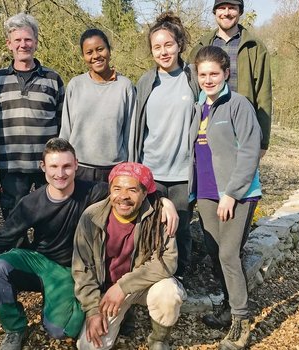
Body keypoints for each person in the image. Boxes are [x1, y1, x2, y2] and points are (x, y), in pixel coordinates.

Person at [0, 138, 178, 350]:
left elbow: (129, 190)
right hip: (39, 261)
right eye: (53, 166)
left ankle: (64, 308)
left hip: (70, 269)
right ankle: (14, 328)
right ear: (43, 167)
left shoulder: (93, 192)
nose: (60, 173)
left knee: (61, 330)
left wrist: (162, 200)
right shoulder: (31, 204)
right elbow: (1, 239)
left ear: (76, 165)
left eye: (66, 166)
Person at [190, 46, 262, 350]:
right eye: (203, 74)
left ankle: (241, 321)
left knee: (229, 254)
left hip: (237, 194)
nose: (208, 79)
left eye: (214, 74)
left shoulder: (238, 105)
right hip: (206, 194)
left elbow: (249, 151)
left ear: (226, 74)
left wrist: (232, 194)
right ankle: (228, 306)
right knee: (215, 252)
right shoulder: (198, 107)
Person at [73, 162, 186, 350]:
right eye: (117, 188)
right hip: (108, 290)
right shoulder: (91, 217)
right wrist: (92, 311)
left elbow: (167, 261)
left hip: (140, 285)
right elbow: (81, 269)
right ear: (110, 190)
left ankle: (159, 340)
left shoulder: (159, 217)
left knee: (169, 292)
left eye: (132, 190)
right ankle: (123, 315)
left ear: (144, 194)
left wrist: (123, 286)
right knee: (88, 347)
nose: (123, 196)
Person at [132, 12, 199, 278]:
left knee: (180, 227)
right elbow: (138, 128)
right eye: (157, 47)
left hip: (183, 172)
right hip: (152, 170)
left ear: (179, 44)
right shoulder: (146, 82)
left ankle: (180, 274)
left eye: (168, 45)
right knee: (150, 225)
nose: (163, 51)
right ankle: (151, 275)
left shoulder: (192, 78)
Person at [0, 13, 65, 219]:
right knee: (13, 220)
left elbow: (62, 122)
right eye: (18, 40)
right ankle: (18, 252)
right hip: (12, 165)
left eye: (28, 39)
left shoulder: (53, 79)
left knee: (49, 218)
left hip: (46, 165)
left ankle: (43, 252)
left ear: (36, 43)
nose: (23, 44)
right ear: (9, 44)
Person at [188, 0, 272, 157]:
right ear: (215, 12)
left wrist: (263, 142)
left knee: (240, 179)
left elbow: (264, 96)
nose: (226, 12)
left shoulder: (255, 48)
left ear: (240, 11)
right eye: (221, 7)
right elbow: (191, 90)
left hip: (241, 131)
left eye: (232, 8)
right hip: (206, 129)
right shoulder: (201, 47)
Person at [59, 29, 136, 182]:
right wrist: (63, 165)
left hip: (114, 171)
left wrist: (130, 169)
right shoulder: (75, 85)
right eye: (89, 52)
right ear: (83, 56)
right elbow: (66, 130)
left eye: (100, 49)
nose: (96, 56)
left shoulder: (125, 86)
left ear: (109, 50)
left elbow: (130, 133)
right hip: (79, 169)